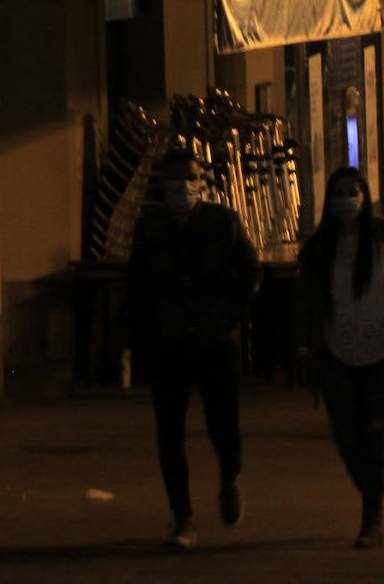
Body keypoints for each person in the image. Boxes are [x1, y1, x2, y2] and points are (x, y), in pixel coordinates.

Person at [125, 147, 261, 548]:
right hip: (169, 343)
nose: (180, 187)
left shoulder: (223, 222)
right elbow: (139, 282)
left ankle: (229, 478)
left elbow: (251, 270)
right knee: (170, 432)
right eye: (172, 181)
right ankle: (182, 516)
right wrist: (144, 328)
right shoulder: (150, 228)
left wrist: (229, 315)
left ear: (200, 182)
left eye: (188, 179)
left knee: (224, 425)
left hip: (215, 341)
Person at [297, 166, 384, 549]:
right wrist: (306, 350)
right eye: (338, 193)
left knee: (373, 426)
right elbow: (307, 306)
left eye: (352, 192)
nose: (346, 200)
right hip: (339, 353)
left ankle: (372, 512)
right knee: (345, 433)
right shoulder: (319, 249)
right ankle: (370, 485)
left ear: (366, 195)